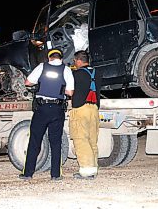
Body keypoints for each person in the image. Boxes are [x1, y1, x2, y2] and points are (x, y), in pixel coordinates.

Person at [19, 49, 74, 181]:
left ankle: (28, 173)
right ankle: (55, 175)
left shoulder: (42, 67)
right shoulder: (66, 70)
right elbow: (70, 92)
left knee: (35, 141)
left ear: (49, 58)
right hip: (57, 108)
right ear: (61, 58)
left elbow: (28, 82)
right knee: (55, 142)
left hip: (42, 109)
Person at [70, 50, 102, 179]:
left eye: (74, 62)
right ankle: (93, 169)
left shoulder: (76, 74)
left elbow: (69, 90)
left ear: (78, 60)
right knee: (92, 141)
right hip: (94, 109)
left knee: (81, 140)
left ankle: (86, 171)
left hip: (80, 109)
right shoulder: (97, 73)